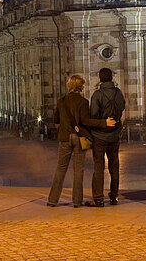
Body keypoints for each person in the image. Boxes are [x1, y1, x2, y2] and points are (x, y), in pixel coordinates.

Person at [47, 74, 115, 208]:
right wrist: (104, 123)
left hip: (65, 137)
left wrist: (66, 121)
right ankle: (77, 201)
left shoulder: (62, 101)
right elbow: (85, 121)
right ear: (81, 86)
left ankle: (52, 200)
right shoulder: (83, 102)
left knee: (61, 169)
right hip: (79, 138)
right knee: (78, 170)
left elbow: (56, 120)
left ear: (69, 86)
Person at [88, 68, 126, 207]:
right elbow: (122, 108)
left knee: (99, 167)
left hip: (99, 136)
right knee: (114, 165)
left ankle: (98, 199)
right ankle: (114, 196)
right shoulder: (118, 93)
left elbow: (93, 115)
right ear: (112, 77)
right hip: (115, 135)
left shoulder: (97, 95)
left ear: (100, 78)